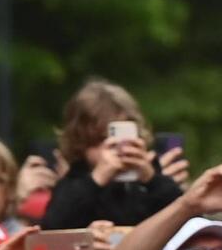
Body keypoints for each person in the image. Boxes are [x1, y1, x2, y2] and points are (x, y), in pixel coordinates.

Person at [42, 79, 182, 230]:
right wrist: (97, 179)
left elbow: (188, 219)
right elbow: (52, 225)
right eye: (100, 140)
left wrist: (152, 179)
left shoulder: (149, 179)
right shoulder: (75, 182)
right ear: (81, 143)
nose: (110, 149)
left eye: (118, 139)